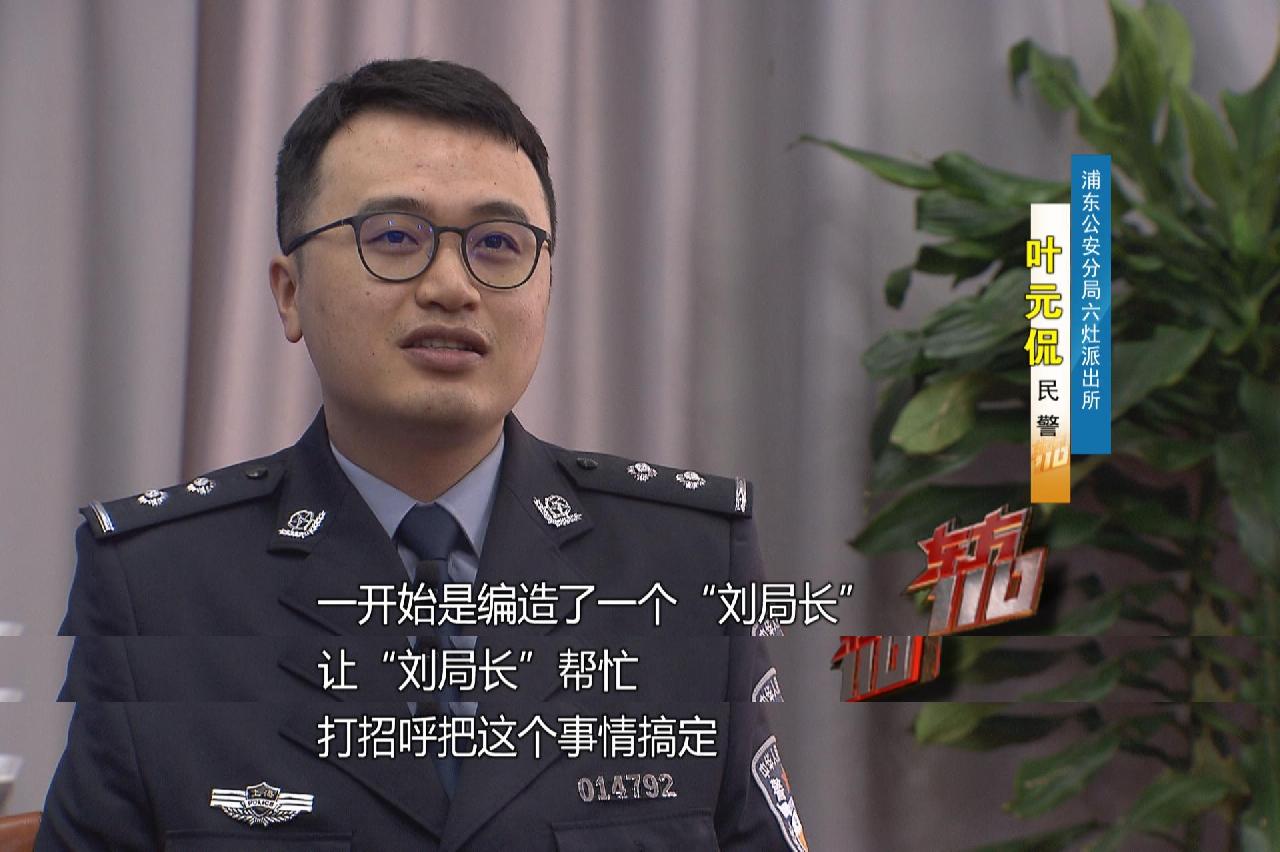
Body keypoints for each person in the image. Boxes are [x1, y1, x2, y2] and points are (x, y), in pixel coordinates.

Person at [36, 58, 807, 851]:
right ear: (289, 293)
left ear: (545, 288)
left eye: (498, 243)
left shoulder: (687, 560)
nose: (451, 286)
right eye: (395, 237)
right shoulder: (155, 584)